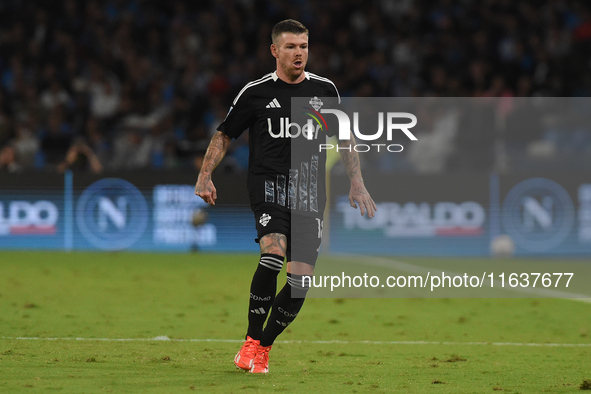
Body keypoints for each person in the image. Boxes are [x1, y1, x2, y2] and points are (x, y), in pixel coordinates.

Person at [194, 19, 376, 374]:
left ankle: (263, 347)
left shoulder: (325, 90)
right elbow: (224, 135)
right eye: (291, 47)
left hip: (309, 191)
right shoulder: (255, 92)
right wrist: (205, 174)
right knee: (273, 254)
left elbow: (345, 137)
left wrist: (357, 181)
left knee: (300, 280)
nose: (299, 53)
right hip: (269, 185)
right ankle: (250, 340)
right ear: (275, 51)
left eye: (304, 47)